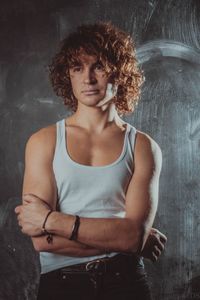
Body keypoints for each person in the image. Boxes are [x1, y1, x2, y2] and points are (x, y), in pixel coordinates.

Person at [15, 22, 167, 300]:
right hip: (61, 285)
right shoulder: (43, 141)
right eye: (77, 68)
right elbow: (40, 240)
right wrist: (126, 240)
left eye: (98, 66)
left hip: (127, 282)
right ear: (68, 76)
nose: (88, 78)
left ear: (118, 72)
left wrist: (51, 220)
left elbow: (132, 237)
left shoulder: (143, 147)